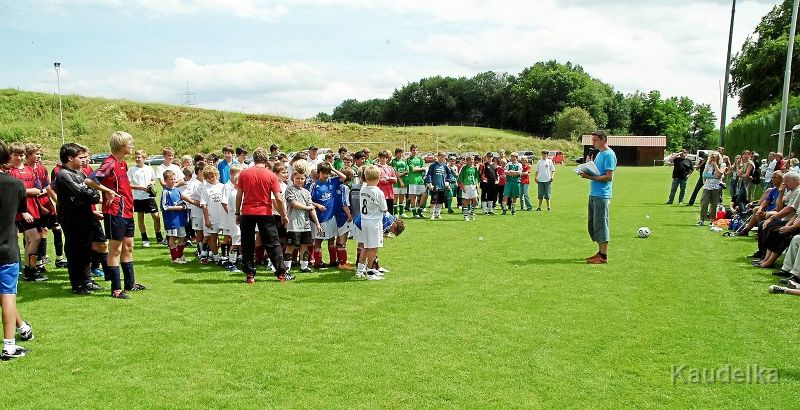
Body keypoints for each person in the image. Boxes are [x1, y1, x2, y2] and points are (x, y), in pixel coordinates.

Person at [89, 131, 147, 297]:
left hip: (127, 210)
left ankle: (130, 283)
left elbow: (123, 186)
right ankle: (116, 289)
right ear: (121, 146)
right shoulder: (110, 163)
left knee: (128, 246)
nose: (132, 146)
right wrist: (108, 191)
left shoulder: (123, 164)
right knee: (115, 249)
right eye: (130, 143)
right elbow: (91, 180)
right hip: (115, 211)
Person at [55, 143, 107, 295]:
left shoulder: (79, 173)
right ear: (70, 158)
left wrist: (92, 195)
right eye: (80, 157)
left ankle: (87, 281)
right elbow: (86, 194)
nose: (84, 160)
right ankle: (77, 284)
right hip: (72, 219)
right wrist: (92, 195)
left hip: (84, 216)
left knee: (85, 251)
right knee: (75, 251)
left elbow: (92, 193)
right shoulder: (64, 175)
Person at [235, 147, 292, 283]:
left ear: (254, 159)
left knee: (247, 243)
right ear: (265, 159)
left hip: (247, 212)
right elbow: (278, 197)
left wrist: (237, 212)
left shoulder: (244, 173)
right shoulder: (271, 175)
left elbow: (239, 195)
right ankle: (281, 274)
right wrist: (284, 214)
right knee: (273, 243)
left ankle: (250, 275)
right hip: (264, 212)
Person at [0, 140, 35, 361]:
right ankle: (10, 347)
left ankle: (22, 327)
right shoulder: (15, 185)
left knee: (4, 294)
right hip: (6, 248)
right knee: (7, 294)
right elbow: (20, 211)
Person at [7, 143, 46, 281]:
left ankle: (29, 270)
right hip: (20, 211)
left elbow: (38, 189)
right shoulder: (9, 171)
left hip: (33, 209)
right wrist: (23, 210)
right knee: (35, 238)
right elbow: (12, 193)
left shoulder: (31, 170)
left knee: (32, 240)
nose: (19, 158)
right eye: (16, 155)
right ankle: (30, 271)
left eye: (21, 155)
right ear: (10, 155)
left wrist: (23, 191)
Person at [580, 130, 617, 264]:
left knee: (601, 224)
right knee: (594, 225)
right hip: (594, 193)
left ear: (602, 139)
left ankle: (603, 256)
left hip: (602, 195)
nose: (593, 143)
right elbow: (597, 171)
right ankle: (600, 252)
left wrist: (590, 176)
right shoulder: (600, 154)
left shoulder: (608, 155)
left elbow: (608, 177)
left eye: (595, 140)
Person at [284, 164, 321, 274]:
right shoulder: (289, 190)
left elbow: (312, 209)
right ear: (293, 178)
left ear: (305, 179)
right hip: (293, 224)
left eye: (302, 178)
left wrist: (317, 223)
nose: (300, 180)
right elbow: (294, 204)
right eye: (297, 178)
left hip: (305, 225)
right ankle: (286, 268)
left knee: (305, 245)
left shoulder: (306, 192)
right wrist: (308, 207)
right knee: (290, 246)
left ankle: (304, 266)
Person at [309, 162, 346, 268]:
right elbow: (308, 200)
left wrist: (333, 168)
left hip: (331, 217)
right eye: (323, 173)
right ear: (318, 173)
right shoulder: (314, 185)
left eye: (327, 173)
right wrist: (318, 205)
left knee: (331, 239)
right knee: (318, 240)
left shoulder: (332, 181)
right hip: (320, 218)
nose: (325, 175)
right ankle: (318, 262)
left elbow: (343, 177)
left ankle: (333, 261)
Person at [355, 165, 388, 280]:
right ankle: (370, 272)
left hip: (364, 221)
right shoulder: (378, 192)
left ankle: (360, 270)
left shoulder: (363, 188)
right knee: (373, 248)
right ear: (378, 178)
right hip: (374, 222)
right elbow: (384, 208)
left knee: (365, 246)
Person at [128, 150, 164, 247]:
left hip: (149, 196)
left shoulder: (149, 168)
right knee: (140, 218)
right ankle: (144, 238)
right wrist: (140, 188)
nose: (137, 159)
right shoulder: (131, 170)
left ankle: (159, 237)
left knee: (156, 217)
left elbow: (153, 180)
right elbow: (128, 184)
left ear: (144, 158)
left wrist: (150, 184)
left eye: (139, 157)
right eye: (136, 157)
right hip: (138, 197)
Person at [161, 170, 194, 264]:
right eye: (170, 179)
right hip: (171, 219)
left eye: (174, 179)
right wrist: (179, 207)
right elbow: (164, 207)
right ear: (165, 180)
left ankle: (180, 256)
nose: (173, 181)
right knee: (172, 237)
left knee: (182, 236)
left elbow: (180, 200)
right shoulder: (165, 192)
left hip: (180, 218)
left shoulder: (176, 190)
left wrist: (184, 205)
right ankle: (174, 258)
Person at [200, 165, 225, 265]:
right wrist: (207, 219)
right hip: (212, 217)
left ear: (216, 175)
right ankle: (215, 256)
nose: (211, 178)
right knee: (213, 237)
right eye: (208, 177)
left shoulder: (222, 186)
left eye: (212, 176)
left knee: (226, 237)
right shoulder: (205, 188)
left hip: (222, 217)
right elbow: (204, 205)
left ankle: (226, 255)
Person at [697, 151, 726, 226]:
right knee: (704, 203)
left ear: (718, 158)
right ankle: (702, 219)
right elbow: (704, 175)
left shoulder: (722, 164)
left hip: (716, 187)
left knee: (714, 205)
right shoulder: (708, 164)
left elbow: (720, 173)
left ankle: (712, 220)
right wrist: (715, 177)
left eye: (714, 157)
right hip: (707, 186)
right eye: (711, 157)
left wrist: (716, 166)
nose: (712, 158)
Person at [424, 152, 455, 220]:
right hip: (435, 186)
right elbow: (429, 175)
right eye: (441, 157)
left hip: (442, 186)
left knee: (440, 200)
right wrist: (430, 183)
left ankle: (438, 213)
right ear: (438, 157)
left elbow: (449, 174)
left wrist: (448, 182)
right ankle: (432, 214)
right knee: (433, 200)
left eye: (444, 157)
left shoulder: (445, 166)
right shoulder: (433, 165)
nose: (442, 159)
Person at [406, 145, 427, 218]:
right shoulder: (409, 159)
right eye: (413, 150)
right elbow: (413, 169)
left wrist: (419, 168)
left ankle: (419, 211)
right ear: (411, 151)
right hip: (412, 180)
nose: (415, 151)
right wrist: (421, 168)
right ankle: (414, 213)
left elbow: (424, 168)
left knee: (425, 195)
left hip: (420, 180)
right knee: (413, 197)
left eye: (416, 150)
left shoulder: (420, 159)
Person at [457, 154, 480, 221]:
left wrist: (477, 184)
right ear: (467, 161)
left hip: (473, 186)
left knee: (475, 201)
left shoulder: (475, 168)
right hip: (466, 186)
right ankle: (465, 216)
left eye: (472, 159)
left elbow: (476, 177)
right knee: (466, 201)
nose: (471, 161)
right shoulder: (464, 168)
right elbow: (459, 179)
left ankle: (471, 212)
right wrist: (462, 187)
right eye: (469, 160)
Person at [376, 151, 397, 219]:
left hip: (390, 194)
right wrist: (388, 180)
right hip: (381, 194)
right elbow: (379, 181)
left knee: (389, 214)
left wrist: (388, 178)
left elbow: (395, 180)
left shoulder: (390, 168)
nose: (382, 159)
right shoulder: (376, 168)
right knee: (381, 213)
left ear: (387, 158)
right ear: (378, 158)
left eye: (384, 158)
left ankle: (389, 229)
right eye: (381, 158)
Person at [390, 148, 408, 217]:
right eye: (399, 153)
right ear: (396, 154)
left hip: (404, 181)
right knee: (396, 196)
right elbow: (395, 173)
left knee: (402, 196)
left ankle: (401, 212)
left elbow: (407, 171)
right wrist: (400, 180)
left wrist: (402, 174)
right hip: (397, 182)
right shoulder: (394, 161)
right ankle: (395, 213)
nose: (400, 154)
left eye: (401, 153)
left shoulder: (404, 161)